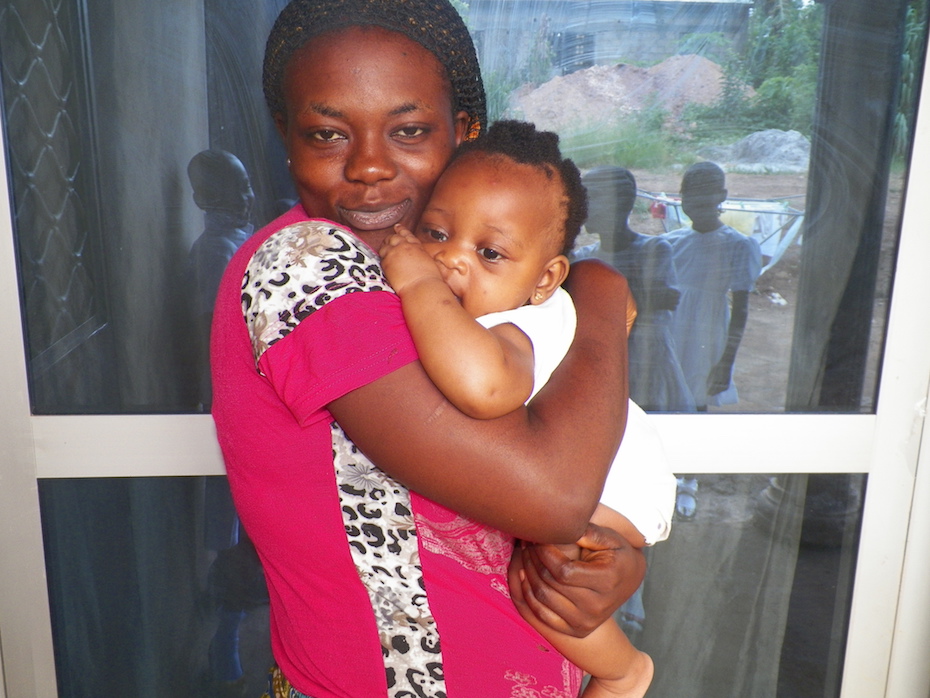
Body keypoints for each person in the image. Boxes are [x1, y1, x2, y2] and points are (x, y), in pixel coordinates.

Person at [209, 2, 645, 697]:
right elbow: (554, 493)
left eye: (409, 130)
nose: (371, 167)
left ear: (463, 132)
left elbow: (574, 466)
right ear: (286, 138)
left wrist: (609, 556)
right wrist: (598, 293)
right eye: (327, 134)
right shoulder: (307, 265)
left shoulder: (458, 278)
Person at [379, 120, 675, 698]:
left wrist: (416, 281)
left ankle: (622, 671)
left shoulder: (525, 321)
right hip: (585, 469)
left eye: (489, 253)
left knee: (541, 577)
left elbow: (485, 387)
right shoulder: (493, 306)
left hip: (613, 481)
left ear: (545, 280)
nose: (452, 262)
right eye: (436, 234)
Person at [584, 166, 695, 414]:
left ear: (621, 204)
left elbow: (661, 301)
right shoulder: (585, 257)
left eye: (592, 197)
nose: (584, 207)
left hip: (645, 362)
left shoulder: (653, 250)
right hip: (604, 361)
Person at [665, 161, 762, 411]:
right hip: (670, 328)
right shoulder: (669, 243)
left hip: (705, 333)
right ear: (681, 197)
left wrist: (726, 363)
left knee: (697, 394)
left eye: (704, 194)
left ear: (722, 196)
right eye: (690, 194)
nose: (696, 201)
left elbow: (741, 309)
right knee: (667, 394)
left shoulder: (738, 245)